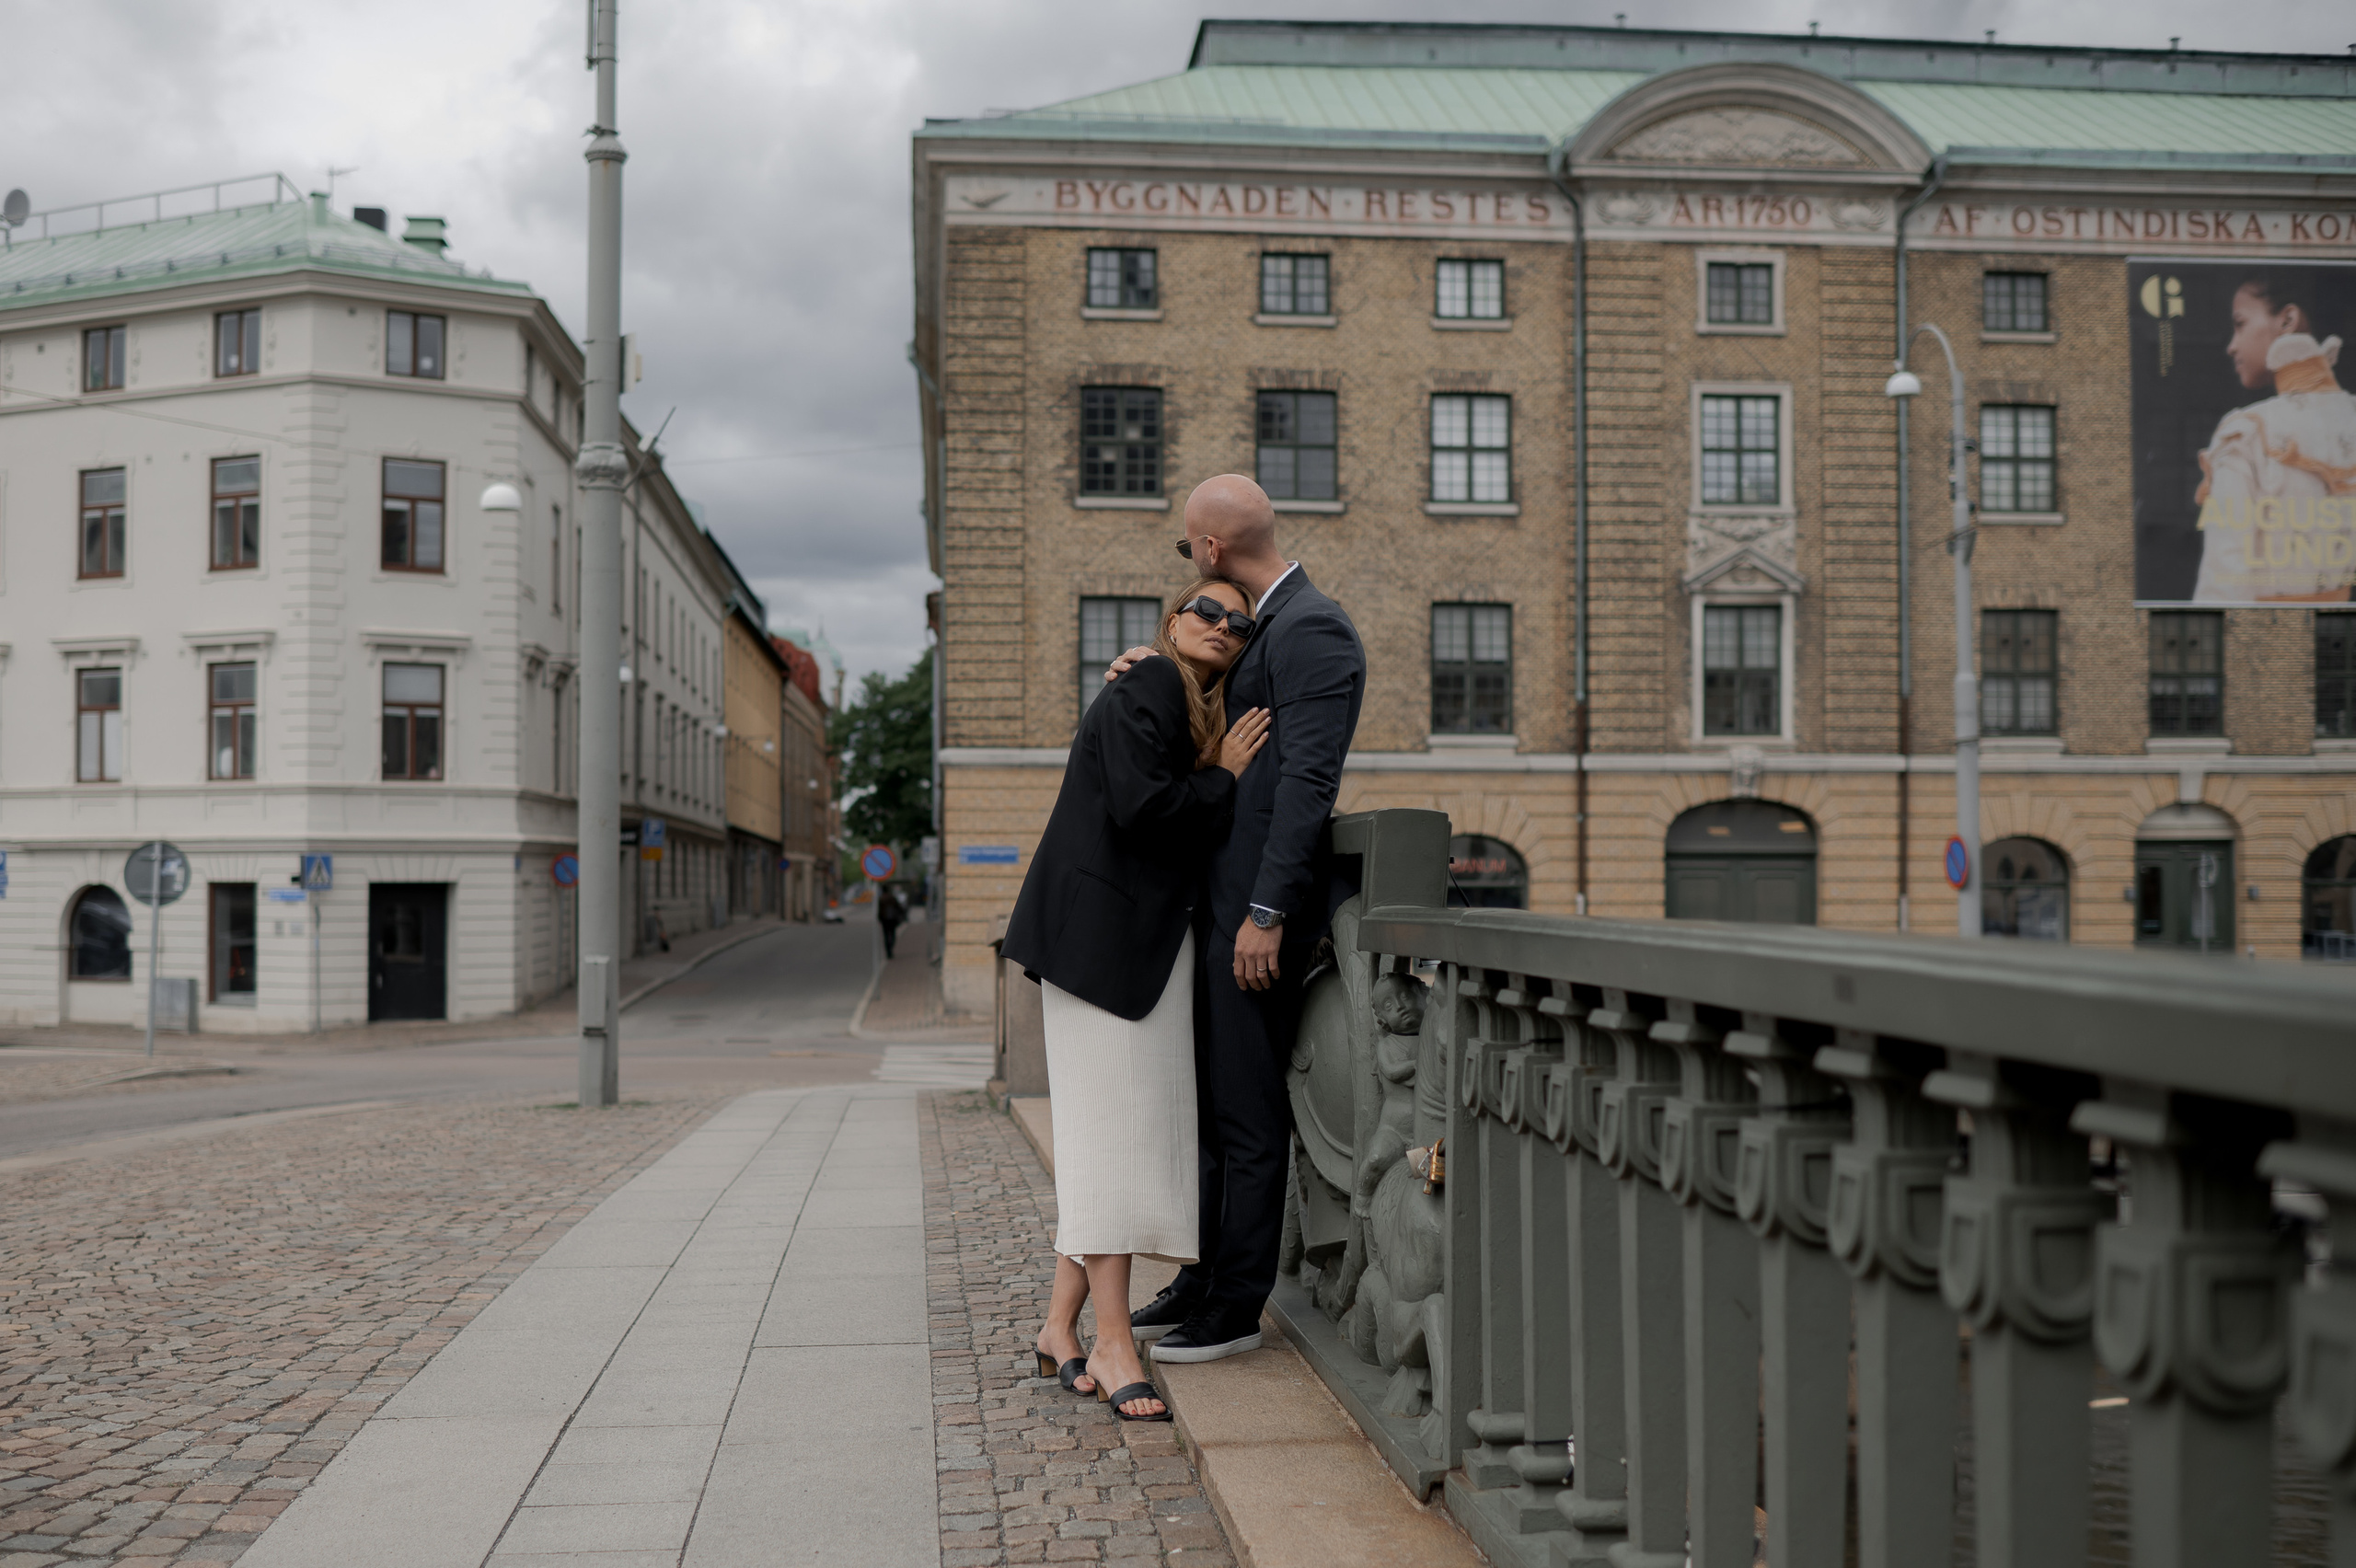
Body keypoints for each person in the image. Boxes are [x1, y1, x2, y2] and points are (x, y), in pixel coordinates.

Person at [999, 579, 1272, 1420]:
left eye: (1239, 620)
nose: (1223, 625)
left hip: (1124, 952)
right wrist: (1223, 776)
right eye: (1206, 611)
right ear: (1171, 622)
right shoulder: (1152, 680)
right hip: (1104, 953)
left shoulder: (1180, 695)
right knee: (1111, 1145)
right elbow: (1142, 807)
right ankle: (1113, 1340)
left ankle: (1059, 1326)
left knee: (1109, 1141)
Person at [1114, 474, 1367, 1366]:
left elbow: (1306, 784)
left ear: (1212, 549)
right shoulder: (1267, 625)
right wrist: (1147, 667)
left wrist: (1266, 911)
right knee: (1214, 1116)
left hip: (1255, 920)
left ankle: (1232, 1309)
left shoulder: (1313, 626)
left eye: (1188, 548)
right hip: (1216, 911)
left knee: (1249, 1120)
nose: (1193, 563)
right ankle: (1201, 1276)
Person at [2192, 276, 2356, 604]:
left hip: (2268, 642)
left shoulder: (2246, 432)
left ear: (2287, 320)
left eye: (2240, 324)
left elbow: (2223, 583)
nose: (2232, 345)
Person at [876, 883, 907, 959]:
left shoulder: (881, 898)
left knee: (886, 935)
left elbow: (879, 910)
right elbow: (898, 907)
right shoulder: (892, 898)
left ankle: (888, 950)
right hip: (892, 919)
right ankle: (891, 948)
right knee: (892, 934)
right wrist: (903, 914)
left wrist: (879, 918)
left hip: (884, 920)